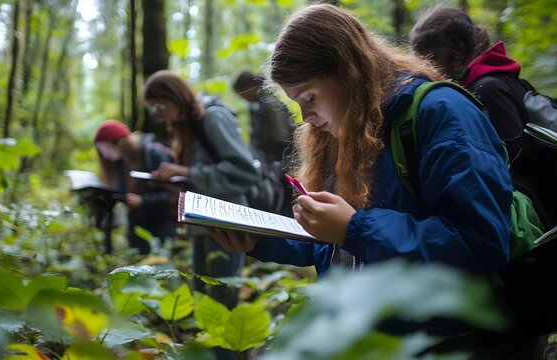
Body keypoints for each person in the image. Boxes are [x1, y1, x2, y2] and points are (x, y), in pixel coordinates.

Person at [209, 4, 525, 356]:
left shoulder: (441, 114)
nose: (306, 117)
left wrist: (356, 228)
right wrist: (258, 240)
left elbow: (480, 243)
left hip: (451, 343)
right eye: (295, 102)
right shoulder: (342, 133)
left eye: (310, 97)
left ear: (347, 72)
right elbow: (334, 244)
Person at [143, 70, 260, 306]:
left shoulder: (212, 118)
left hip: (227, 219)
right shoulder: (188, 129)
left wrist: (187, 172)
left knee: (223, 291)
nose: (158, 115)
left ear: (176, 97)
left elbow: (245, 170)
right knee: (202, 292)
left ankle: (227, 342)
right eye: (152, 109)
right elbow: (201, 178)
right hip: (202, 223)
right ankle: (209, 342)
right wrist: (175, 181)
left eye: (160, 106)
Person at [409, 5, 528, 160]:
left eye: (433, 61)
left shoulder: (487, 90)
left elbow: (518, 162)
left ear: (460, 48)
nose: (426, 72)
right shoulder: (489, 79)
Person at [94, 119, 178, 255]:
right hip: (138, 232)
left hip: (163, 228)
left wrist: (143, 201)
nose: (105, 156)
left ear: (119, 143)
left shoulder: (154, 154)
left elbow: (174, 195)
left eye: (107, 149)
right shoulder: (118, 163)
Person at [232, 69, 295, 216]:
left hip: (281, 165)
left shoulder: (269, 103)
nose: (243, 98)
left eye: (242, 93)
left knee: (285, 206)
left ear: (248, 87)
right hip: (273, 164)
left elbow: (281, 136)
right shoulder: (258, 104)